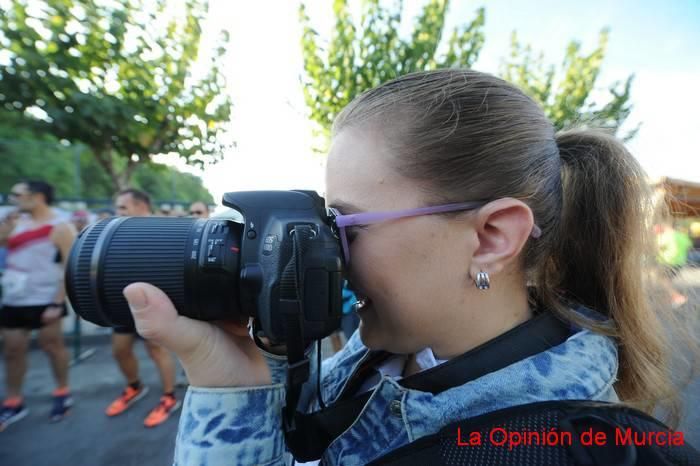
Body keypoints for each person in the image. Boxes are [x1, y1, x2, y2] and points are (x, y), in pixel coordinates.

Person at [121, 70, 680, 464]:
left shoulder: (538, 450)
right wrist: (244, 376)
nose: (327, 251)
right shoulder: (390, 352)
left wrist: (228, 411)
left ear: (490, 238)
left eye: (348, 227)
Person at [0, 180, 76, 430]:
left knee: (52, 347)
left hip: (45, 298)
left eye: (17, 194)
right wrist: (5, 229)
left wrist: (57, 301)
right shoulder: (14, 222)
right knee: (12, 349)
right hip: (14, 298)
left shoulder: (60, 226)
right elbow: (4, 247)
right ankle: (13, 400)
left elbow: (70, 266)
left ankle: (62, 392)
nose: (14, 199)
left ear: (37, 196)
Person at [105, 189, 180, 428]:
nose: (118, 212)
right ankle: (134, 387)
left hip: (153, 300)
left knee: (155, 349)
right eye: (117, 207)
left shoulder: (160, 228)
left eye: (123, 207)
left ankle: (169, 397)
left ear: (142, 206)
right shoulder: (115, 229)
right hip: (123, 300)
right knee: (119, 349)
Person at [656, 222, 693, 308]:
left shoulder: (665, 236)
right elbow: (689, 246)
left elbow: (658, 247)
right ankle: (671, 298)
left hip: (667, 262)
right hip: (679, 263)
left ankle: (678, 297)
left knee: (663, 280)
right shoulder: (681, 236)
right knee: (668, 280)